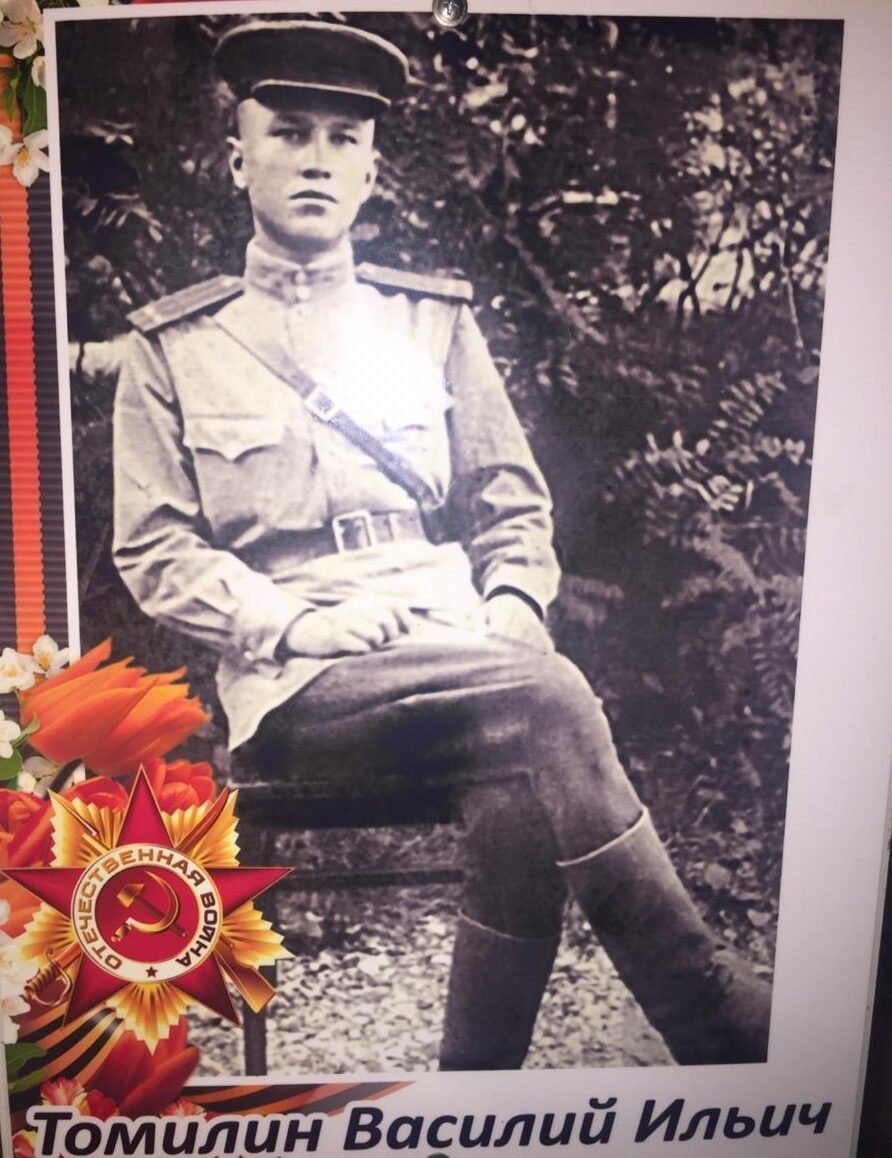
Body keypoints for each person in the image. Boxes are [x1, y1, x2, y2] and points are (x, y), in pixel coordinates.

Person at [112, 18, 771, 1069]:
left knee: (522, 781)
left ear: (370, 172)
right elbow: (155, 552)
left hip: (462, 658)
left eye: (343, 139)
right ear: (239, 160)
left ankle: (474, 1087)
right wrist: (298, 621)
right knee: (545, 701)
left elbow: (513, 505)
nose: (316, 159)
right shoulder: (175, 348)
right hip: (301, 688)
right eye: (290, 132)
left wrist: (510, 607)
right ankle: (708, 1011)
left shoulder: (431, 323)